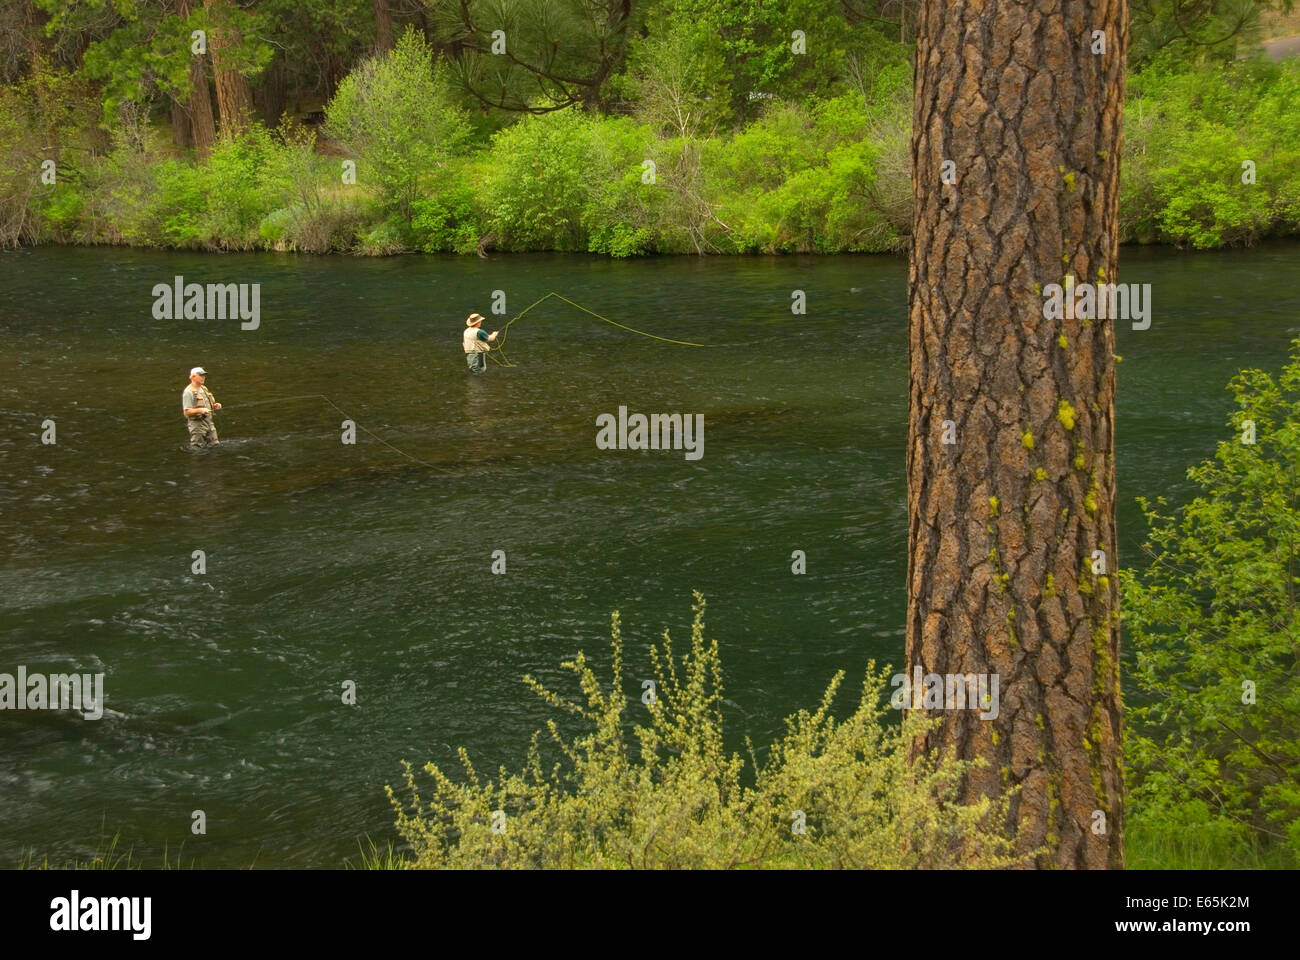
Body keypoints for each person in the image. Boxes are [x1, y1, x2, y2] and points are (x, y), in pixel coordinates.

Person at [182, 366, 221, 448]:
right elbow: (186, 412)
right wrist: (200, 410)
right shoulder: (188, 392)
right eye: (200, 375)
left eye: (204, 375)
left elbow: (207, 404)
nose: (203, 377)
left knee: (215, 445)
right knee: (197, 448)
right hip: (197, 425)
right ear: (193, 377)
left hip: (209, 423)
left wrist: (215, 405)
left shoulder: (204, 388)